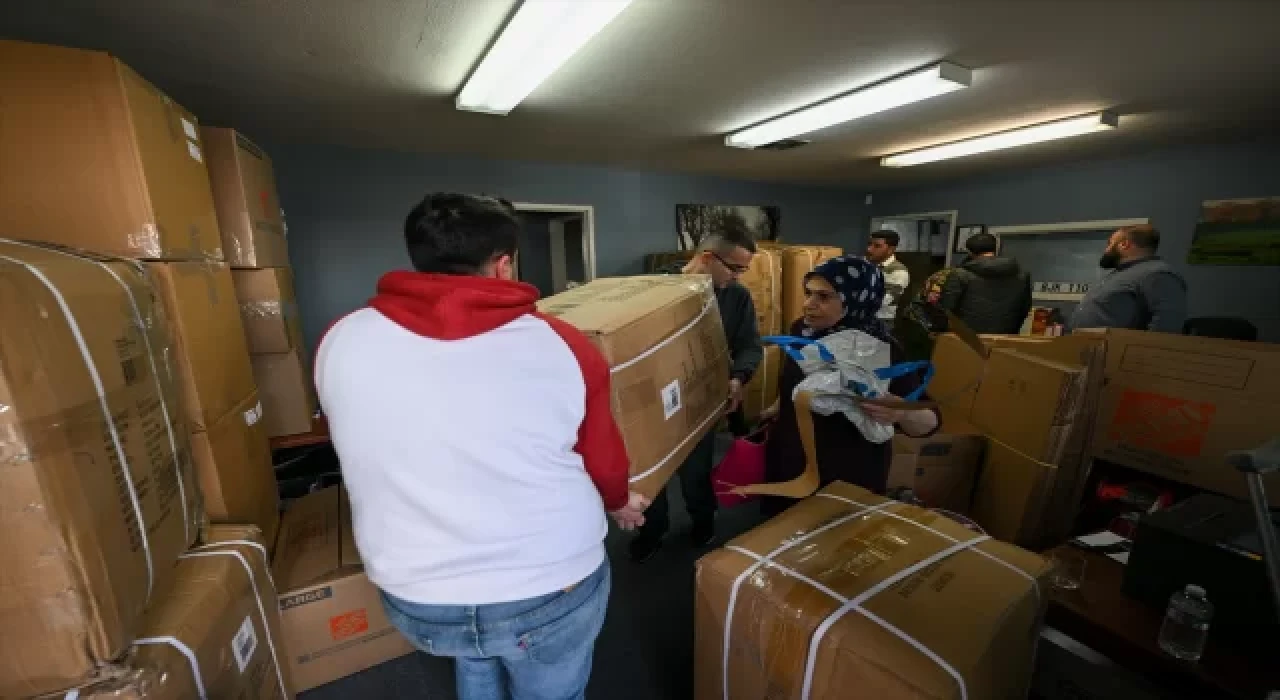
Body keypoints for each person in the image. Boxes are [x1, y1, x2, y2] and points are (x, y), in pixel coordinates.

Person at [315, 193, 648, 700]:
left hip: (417, 591)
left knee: (475, 656)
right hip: (545, 580)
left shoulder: (341, 338)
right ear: (503, 263)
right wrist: (620, 502)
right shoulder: (561, 343)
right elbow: (603, 459)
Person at [759, 256, 939, 517]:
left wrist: (901, 412)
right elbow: (795, 377)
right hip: (792, 454)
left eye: (824, 297)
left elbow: (930, 422)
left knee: (832, 540)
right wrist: (781, 404)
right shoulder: (802, 331)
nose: (808, 304)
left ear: (856, 299)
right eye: (808, 293)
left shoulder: (882, 350)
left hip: (846, 468)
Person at [631, 223, 763, 562]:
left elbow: (750, 345)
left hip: (699, 405)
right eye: (735, 268)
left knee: (697, 474)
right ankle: (652, 531)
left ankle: (703, 523)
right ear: (707, 258)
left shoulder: (736, 297)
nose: (739, 277)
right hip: (653, 410)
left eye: (745, 270)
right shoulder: (651, 291)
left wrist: (738, 377)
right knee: (653, 481)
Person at [1069, 224, 1187, 333]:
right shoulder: (1120, 273)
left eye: (1110, 243)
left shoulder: (1158, 274)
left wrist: (1138, 354)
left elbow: (1167, 324)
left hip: (1116, 352)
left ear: (1124, 244)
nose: (1106, 249)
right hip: (1085, 347)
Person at [938, 232, 1033, 334]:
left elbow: (946, 309)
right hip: (1005, 337)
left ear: (970, 253)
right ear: (995, 249)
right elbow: (1025, 308)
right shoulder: (1022, 276)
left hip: (967, 340)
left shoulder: (959, 275)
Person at [865, 230, 910, 322]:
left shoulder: (899, 271)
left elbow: (884, 300)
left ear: (891, 249)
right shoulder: (868, 265)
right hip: (863, 318)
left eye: (877, 246)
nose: (869, 249)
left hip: (881, 321)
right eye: (869, 244)